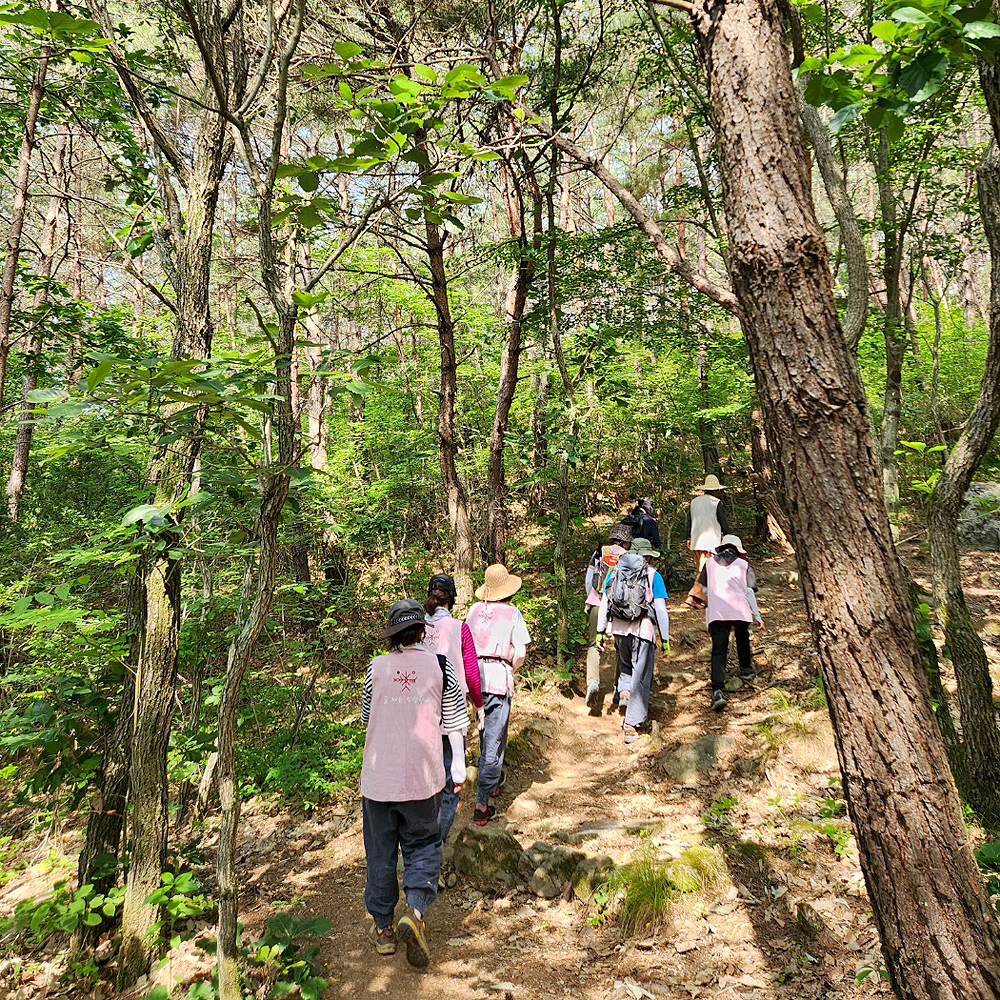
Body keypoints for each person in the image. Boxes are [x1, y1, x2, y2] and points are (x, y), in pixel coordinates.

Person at [360, 599, 468, 968]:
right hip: (423, 779)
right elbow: (454, 720)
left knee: (380, 854)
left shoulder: (375, 668)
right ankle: (416, 912)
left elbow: (366, 717)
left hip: (378, 780)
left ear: (393, 635)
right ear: (423, 630)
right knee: (424, 846)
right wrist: (460, 767)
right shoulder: (441, 666)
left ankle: (384, 930)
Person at [423, 573, 482, 860]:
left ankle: (420, 840)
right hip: (452, 716)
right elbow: (471, 672)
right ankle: (436, 843)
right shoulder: (460, 628)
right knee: (450, 782)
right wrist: (479, 705)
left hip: (420, 717)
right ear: (454, 598)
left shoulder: (415, 626)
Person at [466, 564, 531, 826]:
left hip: (473, 677)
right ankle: (482, 804)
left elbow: (464, 643)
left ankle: (492, 782)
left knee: (487, 731)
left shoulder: (473, 611)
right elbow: (521, 652)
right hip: (497, 678)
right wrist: (509, 667)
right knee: (494, 737)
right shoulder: (513, 613)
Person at [596, 536, 670, 744]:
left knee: (626, 665)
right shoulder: (653, 575)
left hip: (618, 630)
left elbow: (604, 603)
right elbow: (661, 611)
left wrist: (600, 631)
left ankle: (625, 694)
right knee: (642, 675)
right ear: (646, 556)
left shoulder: (614, 571)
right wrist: (664, 638)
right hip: (643, 630)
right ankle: (631, 725)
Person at [697, 535, 764, 712]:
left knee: (718, 650)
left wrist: (712, 606)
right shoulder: (744, 565)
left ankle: (718, 690)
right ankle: (746, 669)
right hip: (740, 609)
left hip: (718, 610)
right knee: (742, 636)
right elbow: (749, 592)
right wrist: (757, 615)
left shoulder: (709, 564)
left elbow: (704, 590)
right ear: (738, 550)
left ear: (721, 548)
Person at [583, 523, 632, 712]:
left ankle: (593, 684)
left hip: (597, 601)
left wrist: (591, 597)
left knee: (594, 645)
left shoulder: (599, 552)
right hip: (618, 605)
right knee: (621, 646)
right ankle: (619, 689)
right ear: (626, 542)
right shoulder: (627, 557)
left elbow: (589, 579)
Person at [684, 475, 730, 609]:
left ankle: (704, 598)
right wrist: (729, 537)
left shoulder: (694, 502)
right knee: (706, 570)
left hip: (696, 540)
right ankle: (693, 597)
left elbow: (689, 521)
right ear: (715, 490)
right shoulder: (716, 503)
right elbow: (723, 522)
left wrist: (688, 537)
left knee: (702, 569)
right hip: (711, 542)